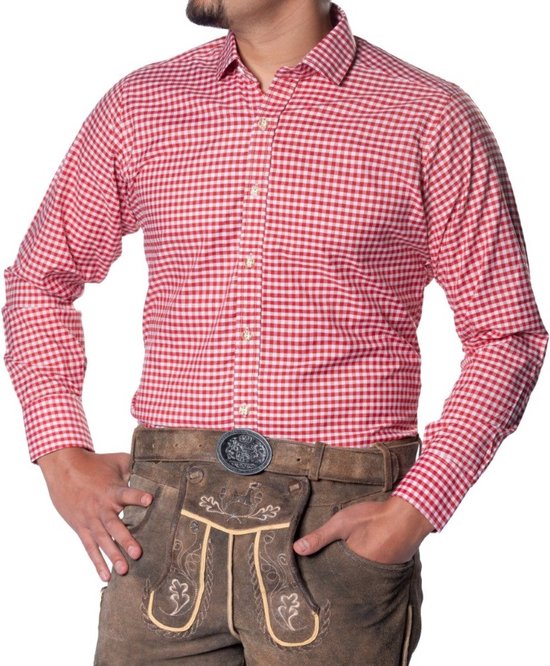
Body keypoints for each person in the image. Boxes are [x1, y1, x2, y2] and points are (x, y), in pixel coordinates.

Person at [2, 1, 547, 664]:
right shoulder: (140, 104)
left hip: (338, 526)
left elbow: (506, 333)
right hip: (160, 521)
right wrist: (61, 456)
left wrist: (416, 508)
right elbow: (39, 280)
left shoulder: (428, 115)